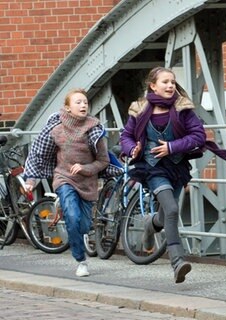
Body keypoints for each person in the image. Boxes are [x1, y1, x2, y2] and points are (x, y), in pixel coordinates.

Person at [120, 66, 207, 284]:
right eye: (165, 82)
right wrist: (132, 149)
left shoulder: (183, 108)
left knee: (164, 214)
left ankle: (151, 223)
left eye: (172, 82)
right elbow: (126, 136)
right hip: (152, 168)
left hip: (176, 167)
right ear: (153, 86)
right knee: (172, 208)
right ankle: (177, 261)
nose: (170, 86)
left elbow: (199, 136)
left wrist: (172, 146)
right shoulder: (139, 109)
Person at [24, 88, 121, 277]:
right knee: (73, 217)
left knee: (83, 226)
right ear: (67, 108)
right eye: (78, 102)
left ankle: (66, 208)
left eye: (85, 102)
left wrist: (85, 168)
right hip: (64, 178)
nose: (83, 105)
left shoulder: (95, 130)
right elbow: (39, 154)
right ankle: (81, 260)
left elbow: (103, 161)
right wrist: (31, 179)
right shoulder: (56, 130)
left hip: (87, 183)